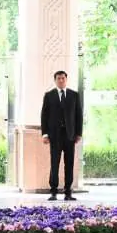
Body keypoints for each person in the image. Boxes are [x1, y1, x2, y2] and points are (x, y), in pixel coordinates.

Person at [40, 70, 82, 200]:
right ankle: (53, 191)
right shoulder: (49, 95)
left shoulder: (74, 95)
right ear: (55, 80)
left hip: (70, 135)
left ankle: (68, 192)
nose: (61, 80)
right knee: (55, 163)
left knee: (69, 164)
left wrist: (78, 133)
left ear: (66, 79)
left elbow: (78, 116)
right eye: (58, 78)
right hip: (54, 135)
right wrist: (45, 134)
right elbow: (44, 116)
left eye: (63, 78)